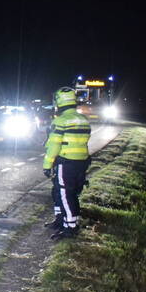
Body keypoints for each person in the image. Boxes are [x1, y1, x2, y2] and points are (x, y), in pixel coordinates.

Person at [43, 87, 91, 239]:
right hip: (81, 162)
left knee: (64, 193)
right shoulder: (83, 120)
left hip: (66, 162)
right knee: (61, 191)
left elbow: (54, 145)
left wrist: (47, 165)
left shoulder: (61, 121)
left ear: (59, 102)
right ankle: (61, 219)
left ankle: (70, 227)